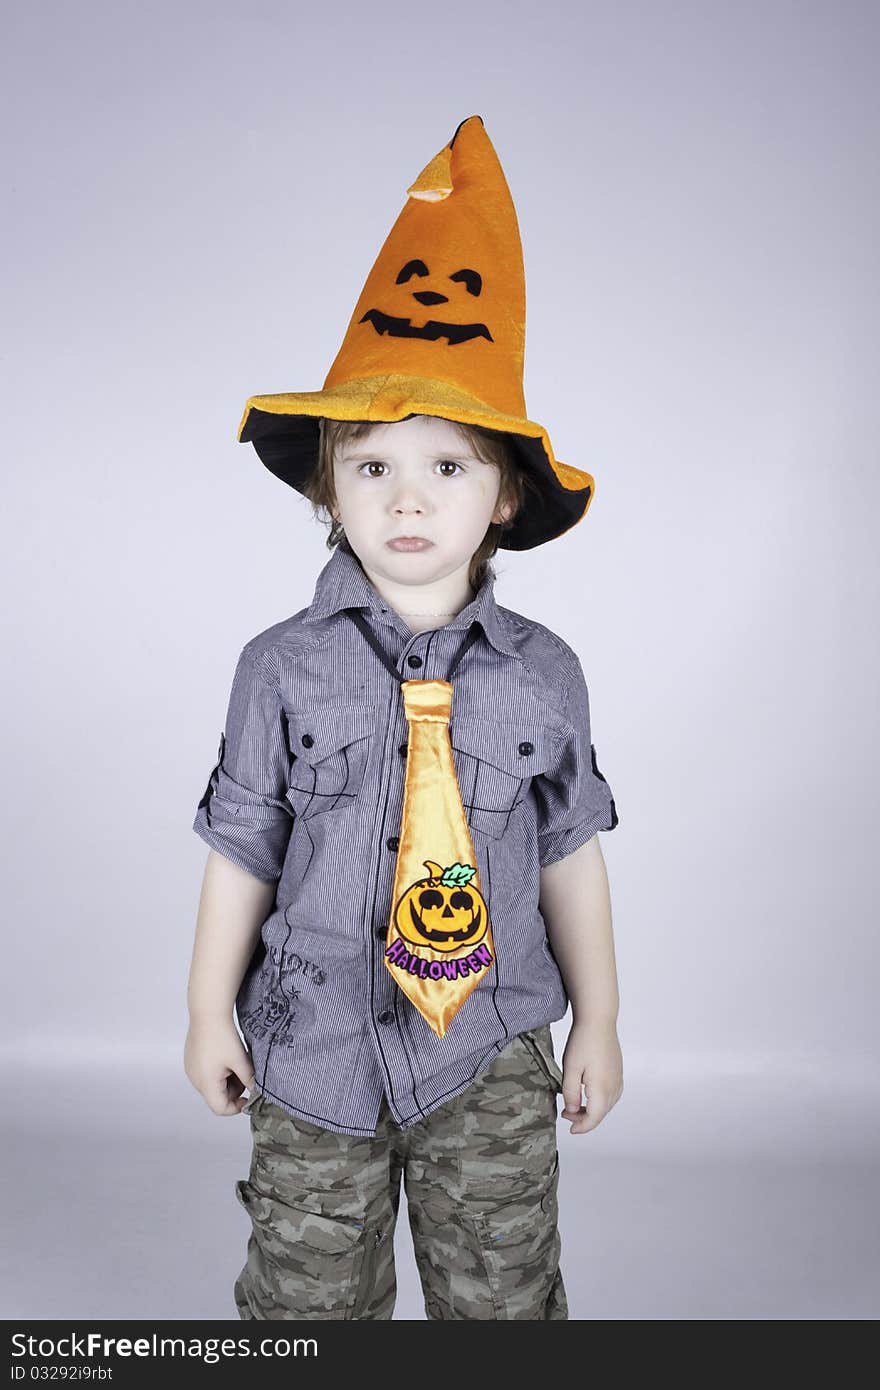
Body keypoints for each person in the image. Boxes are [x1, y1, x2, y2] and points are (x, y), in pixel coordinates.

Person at [184, 115, 623, 1320]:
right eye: (372, 466)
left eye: (446, 466)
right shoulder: (275, 668)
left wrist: (602, 1021)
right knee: (306, 1308)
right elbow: (243, 851)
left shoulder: (547, 676)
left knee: (501, 1302)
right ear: (330, 484)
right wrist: (203, 1010)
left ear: (504, 493)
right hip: (311, 1050)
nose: (408, 498)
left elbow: (571, 855)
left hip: (489, 1051)